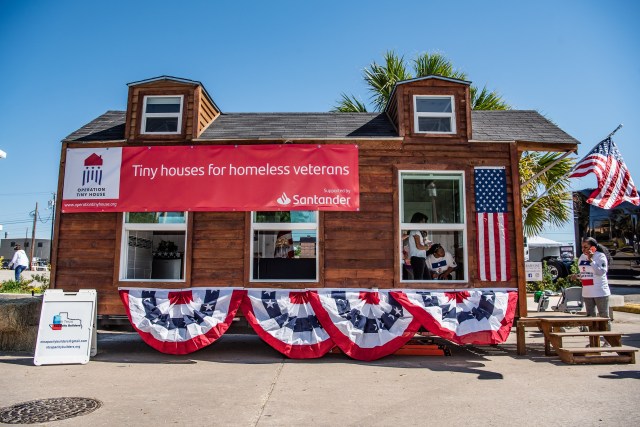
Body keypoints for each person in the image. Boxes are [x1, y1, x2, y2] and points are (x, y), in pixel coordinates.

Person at [572, 237, 611, 330]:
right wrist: (577, 276)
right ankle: (594, 341)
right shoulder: (581, 257)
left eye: (586, 247)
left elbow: (600, 272)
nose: (583, 249)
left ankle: (607, 341)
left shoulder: (600, 256)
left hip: (600, 291)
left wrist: (591, 260)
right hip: (587, 292)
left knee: (603, 317)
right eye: (582, 247)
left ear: (593, 247)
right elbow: (585, 273)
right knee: (590, 318)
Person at [408, 212, 430, 280]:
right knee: (419, 279)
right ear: (417, 220)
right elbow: (419, 246)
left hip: (420, 258)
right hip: (417, 258)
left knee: (427, 279)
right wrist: (427, 247)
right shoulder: (415, 231)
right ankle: (418, 291)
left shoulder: (418, 231)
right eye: (423, 221)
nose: (424, 223)